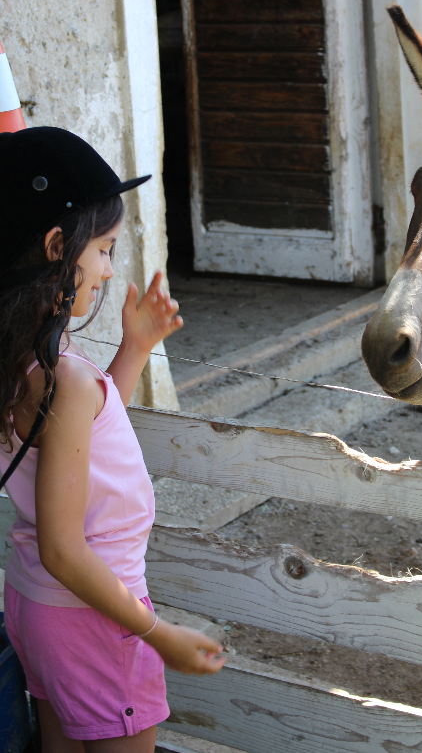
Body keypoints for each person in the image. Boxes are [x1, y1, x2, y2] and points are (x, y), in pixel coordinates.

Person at [0, 128, 226, 753]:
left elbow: (79, 448)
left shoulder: (26, 362)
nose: (107, 268)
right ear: (55, 247)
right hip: (94, 615)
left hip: (35, 609)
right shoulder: (64, 377)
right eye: (103, 249)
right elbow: (64, 551)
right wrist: (157, 633)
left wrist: (134, 349)